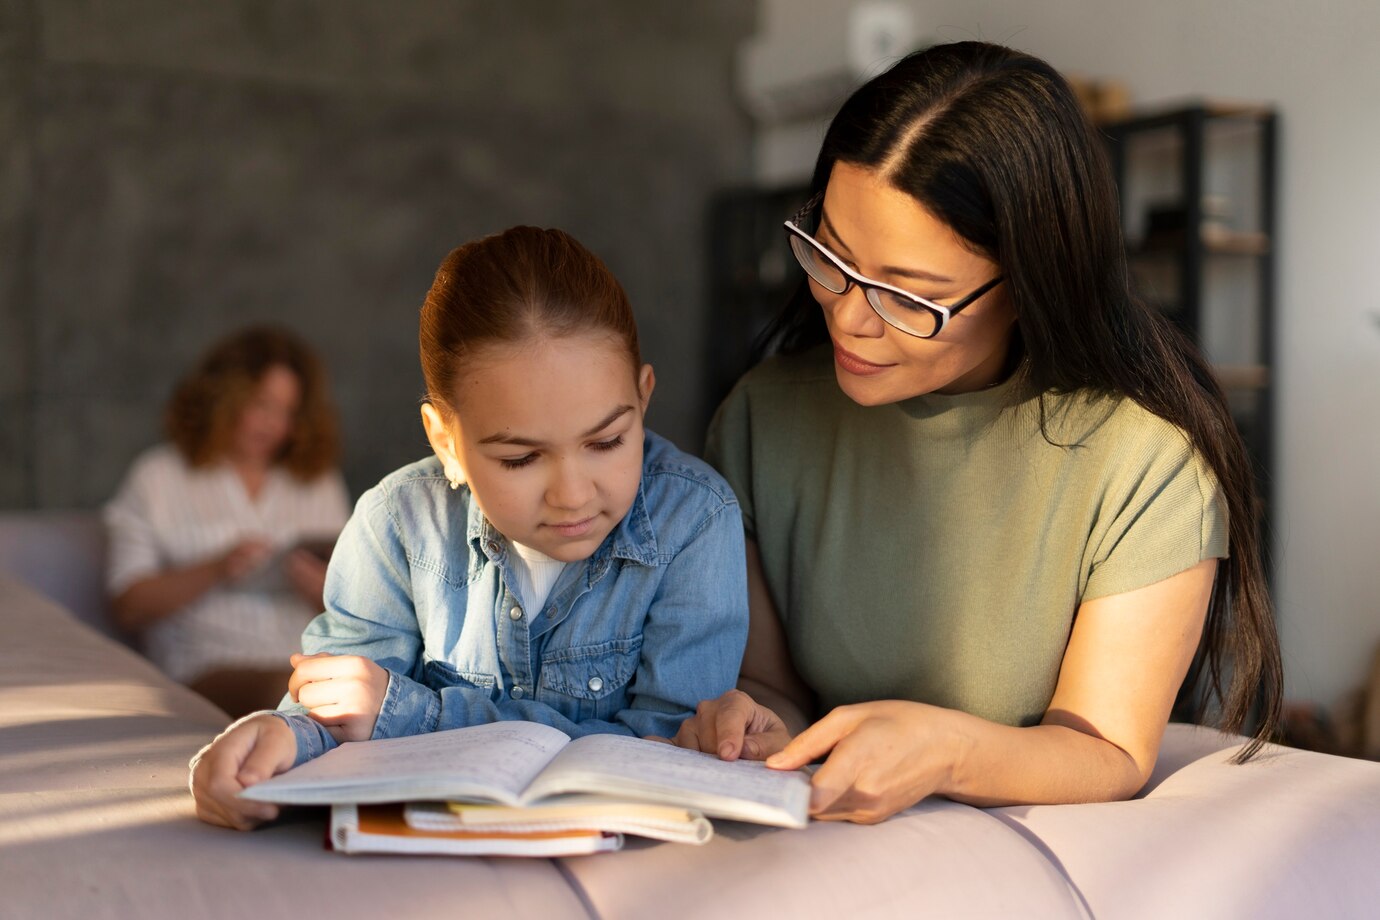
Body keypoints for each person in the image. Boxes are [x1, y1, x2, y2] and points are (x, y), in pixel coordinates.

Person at [671, 41, 1283, 824]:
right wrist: (750, 728)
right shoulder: (764, 419)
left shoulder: (1147, 464)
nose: (850, 318)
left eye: (908, 295)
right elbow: (776, 693)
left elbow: (1109, 752)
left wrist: (947, 750)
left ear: (1032, 284)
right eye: (832, 256)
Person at [190, 226, 749, 830]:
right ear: (445, 442)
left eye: (608, 440)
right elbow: (333, 709)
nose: (573, 493)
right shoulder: (396, 525)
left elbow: (664, 750)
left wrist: (414, 714)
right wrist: (278, 737)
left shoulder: (695, 521)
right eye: (520, 458)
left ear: (643, 399)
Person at [105, 325, 350, 718]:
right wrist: (217, 569)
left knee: (354, 687)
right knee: (301, 694)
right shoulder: (158, 476)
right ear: (223, 399)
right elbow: (129, 605)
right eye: (261, 405)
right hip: (206, 669)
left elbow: (355, 604)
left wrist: (323, 591)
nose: (274, 425)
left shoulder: (317, 482)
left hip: (307, 661)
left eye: (287, 412)